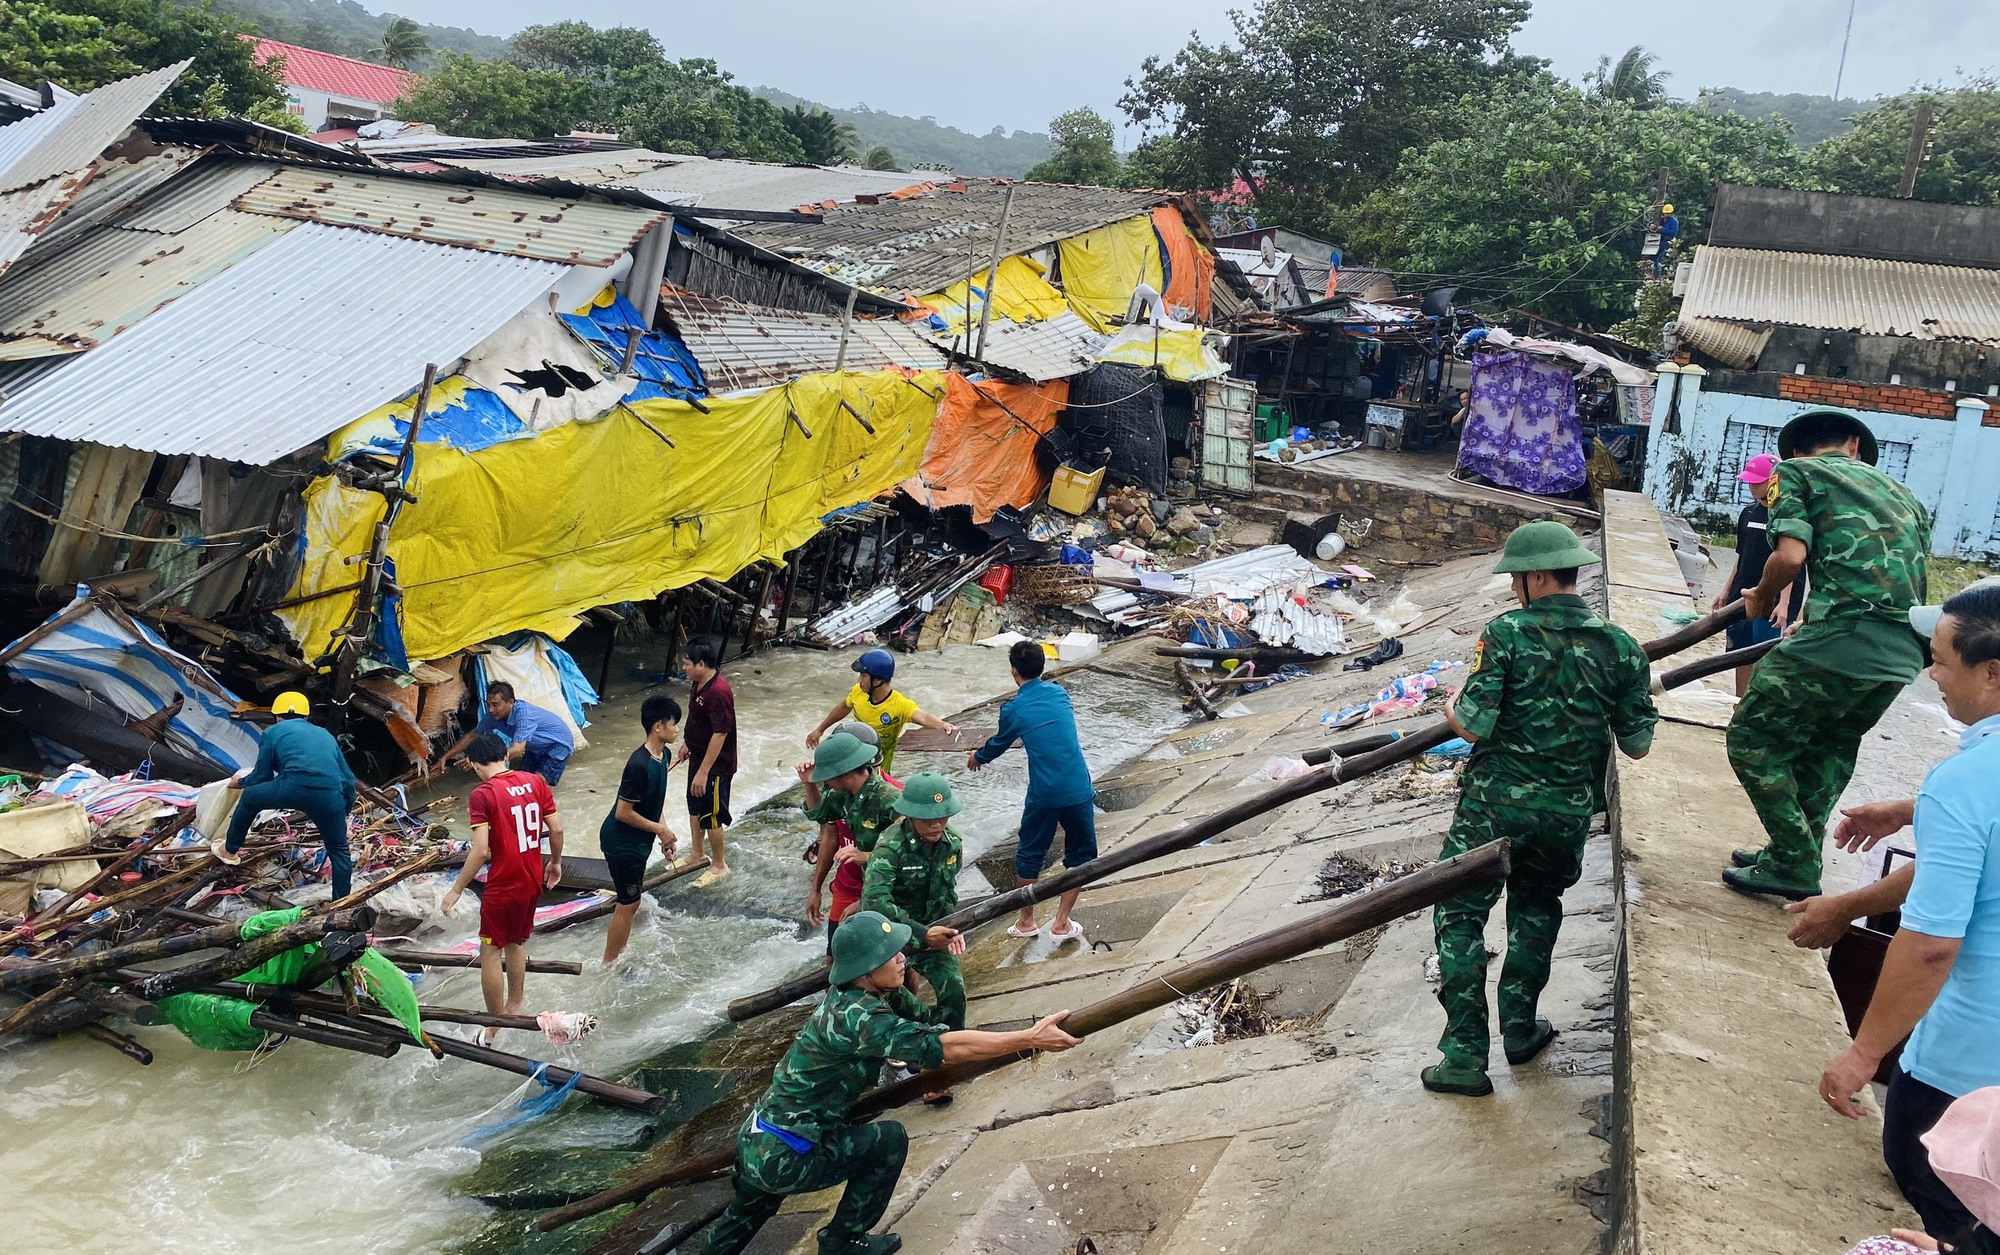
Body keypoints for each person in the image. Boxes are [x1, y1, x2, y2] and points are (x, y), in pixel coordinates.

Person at [1424, 521, 1658, 1097]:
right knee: (1535, 911)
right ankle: (1522, 1031)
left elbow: (1472, 726)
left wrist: (1453, 699)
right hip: (1564, 814)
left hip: (1492, 808)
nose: (1511, 591)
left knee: (1459, 918)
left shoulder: (1504, 635)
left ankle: (1463, 1056)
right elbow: (1638, 743)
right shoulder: (1621, 646)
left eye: (1515, 579)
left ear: (1534, 576)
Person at [703, 910, 1081, 1255]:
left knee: (746, 1214)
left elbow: (931, 1028)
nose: (902, 957)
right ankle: (843, 1243)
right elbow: (943, 1047)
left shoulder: (851, 996)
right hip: (786, 1153)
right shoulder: (860, 1019)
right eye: (891, 954)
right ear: (865, 971)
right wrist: (1028, 1038)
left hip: (757, 1137)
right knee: (888, 1142)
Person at [1806, 580, 2000, 1240]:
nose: (1931, 672)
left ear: (1993, 673)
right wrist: (1917, 812)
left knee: (1948, 1197)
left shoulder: (1968, 782)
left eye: (1944, 658)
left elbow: (1931, 943)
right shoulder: (1963, 790)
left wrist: (1863, 1054)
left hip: (1969, 1074)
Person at [1724, 408, 1931, 901]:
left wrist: (1761, 592)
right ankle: (1788, 853)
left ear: (1795, 451)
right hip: (1903, 653)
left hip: (1842, 639)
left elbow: (1791, 557)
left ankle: (1795, 861)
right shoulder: (1908, 497)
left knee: (1751, 739)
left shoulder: (1794, 473)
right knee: (1826, 751)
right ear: (1855, 445)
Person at [966, 640, 1095, 943]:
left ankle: (1026, 922)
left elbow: (999, 742)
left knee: (1029, 854)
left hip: (1045, 793)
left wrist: (977, 758)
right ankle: (1062, 923)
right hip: (1079, 787)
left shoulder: (1013, 709)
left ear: (1013, 671)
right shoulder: (1060, 694)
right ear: (1043, 666)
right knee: (1082, 856)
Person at [442, 732, 563, 1043]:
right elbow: (557, 828)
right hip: (531, 877)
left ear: (472, 764)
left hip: (503, 884)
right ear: (505, 756)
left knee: (490, 952)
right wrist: (555, 863)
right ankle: (515, 1003)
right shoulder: (535, 782)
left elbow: (480, 850)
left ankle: (495, 1022)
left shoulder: (482, 795)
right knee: (516, 942)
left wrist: (456, 889)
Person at [859, 771, 968, 1104]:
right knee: (897, 1002)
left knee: (953, 988)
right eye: (927, 818)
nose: (937, 824)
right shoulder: (889, 846)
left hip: (932, 935)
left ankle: (938, 1071)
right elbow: (874, 902)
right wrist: (922, 934)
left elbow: (947, 895)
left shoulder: (952, 844)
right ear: (910, 814)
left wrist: (952, 929)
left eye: (941, 816)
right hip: (890, 938)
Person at [211, 691, 359, 899]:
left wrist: (240, 783)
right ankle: (341, 902)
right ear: (306, 716)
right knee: (339, 850)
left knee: (250, 799)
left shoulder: (273, 732)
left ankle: (230, 850)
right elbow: (348, 782)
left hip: (291, 788)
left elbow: (262, 776)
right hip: (329, 797)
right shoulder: (325, 735)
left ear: (276, 715)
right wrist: (343, 812)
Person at [597, 695, 682, 969]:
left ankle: (616, 956)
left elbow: (654, 801)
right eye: (674, 724)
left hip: (638, 841)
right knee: (628, 904)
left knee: (630, 902)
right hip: (621, 843)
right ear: (657, 727)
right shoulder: (638, 764)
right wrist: (659, 829)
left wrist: (664, 833)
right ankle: (611, 964)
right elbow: (623, 812)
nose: (677, 729)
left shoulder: (664, 756)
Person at [1713, 452, 1808, 695]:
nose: (1752, 486)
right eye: (1749, 481)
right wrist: (1726, 591)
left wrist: (1785, 603)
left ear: (1774, 481)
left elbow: (1790, 563)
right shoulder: (1748, 513)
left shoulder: (1788, 516)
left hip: (1773, 600)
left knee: (1765, 658)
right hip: (1743, 594)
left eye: (1758, 481)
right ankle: (1738, 703)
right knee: (1740, 654)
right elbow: (1741, 556)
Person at [801, 730, 902, 956]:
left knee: (894, 962)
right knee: (836, 956)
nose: (826, 782)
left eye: (828, 777)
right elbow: (819, 814)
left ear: (845, 774)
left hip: (885, 892)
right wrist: (809, 784)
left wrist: (867, 856)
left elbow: (912, 852)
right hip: (852, 887)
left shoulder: (890, 799)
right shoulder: (843, 796)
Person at [805, 649, 958, 777]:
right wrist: (820, 730)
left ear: (878, 680)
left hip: (878, 773)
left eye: (864, 675)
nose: (859, 680)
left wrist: (942, 724)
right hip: (850, 767)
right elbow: (844, 707)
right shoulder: (858, 691)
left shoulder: (899, 704)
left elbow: (923, 717)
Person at [438, 681, 577, 788]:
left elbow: (516, 750)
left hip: (558, 745)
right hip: (535, 747)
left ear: (511, 703)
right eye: (488, 705)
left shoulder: (524, 716)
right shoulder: (492, 716)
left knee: (535, 785)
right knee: (519, 783)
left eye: (495, 705)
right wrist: (445, 757)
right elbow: (471, 736)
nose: (491, 710)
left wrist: (479, 759)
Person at [678, 638, 736, 887]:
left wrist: (704, 772)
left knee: (711, 814)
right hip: (698, 756)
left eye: (687, 663)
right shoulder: (699, 683)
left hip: (715, 766)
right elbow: (698, 721)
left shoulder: (718, 692)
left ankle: (719, 864)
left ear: (701, 664)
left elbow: (720, 733)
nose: (684, 668)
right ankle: (697, 853)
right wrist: (687, 743)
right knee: (694, 805)